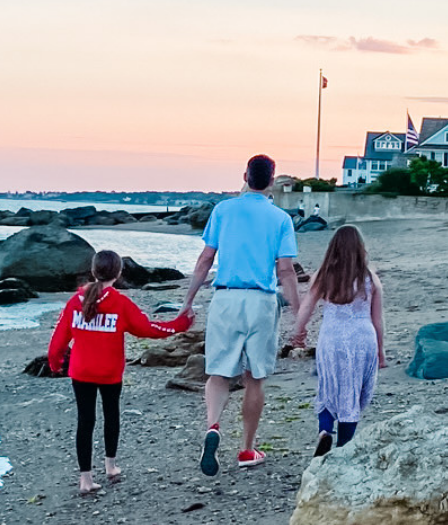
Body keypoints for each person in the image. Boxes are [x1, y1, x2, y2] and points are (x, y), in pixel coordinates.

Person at [178, 154, 300, 476]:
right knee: (254, 378)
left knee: (217, 373)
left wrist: (188, 301)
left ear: (245, 175)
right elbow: (285, 270)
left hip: (226, 298)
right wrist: (298, 311)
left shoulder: (223, 211)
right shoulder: (280, 219)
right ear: (272, 181)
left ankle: (214, 426)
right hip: (260, 300)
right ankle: (247, 448)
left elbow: (206, 259)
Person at [48, 250, 193, 494]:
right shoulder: (121, 303)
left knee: (85, 422)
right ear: (118, 273)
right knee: (111, 415)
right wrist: (180, 325)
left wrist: (55, 364)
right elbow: (148, 329)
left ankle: (85, 480)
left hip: (81, 371)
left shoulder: (75, 301)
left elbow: (58, 340)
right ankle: (111, 466)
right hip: (109, 371)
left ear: (93, 271)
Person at [289, 225, 385, 456]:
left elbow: (306, 308)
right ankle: (343, 446)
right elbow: (378, 319)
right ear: (360, 248)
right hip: (363, 337)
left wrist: (298, 334)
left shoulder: (323, 275)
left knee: (328, 386)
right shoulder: (370, 278)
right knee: (353, 393)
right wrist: (381, 351)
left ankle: (325, 430)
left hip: (332, 338)